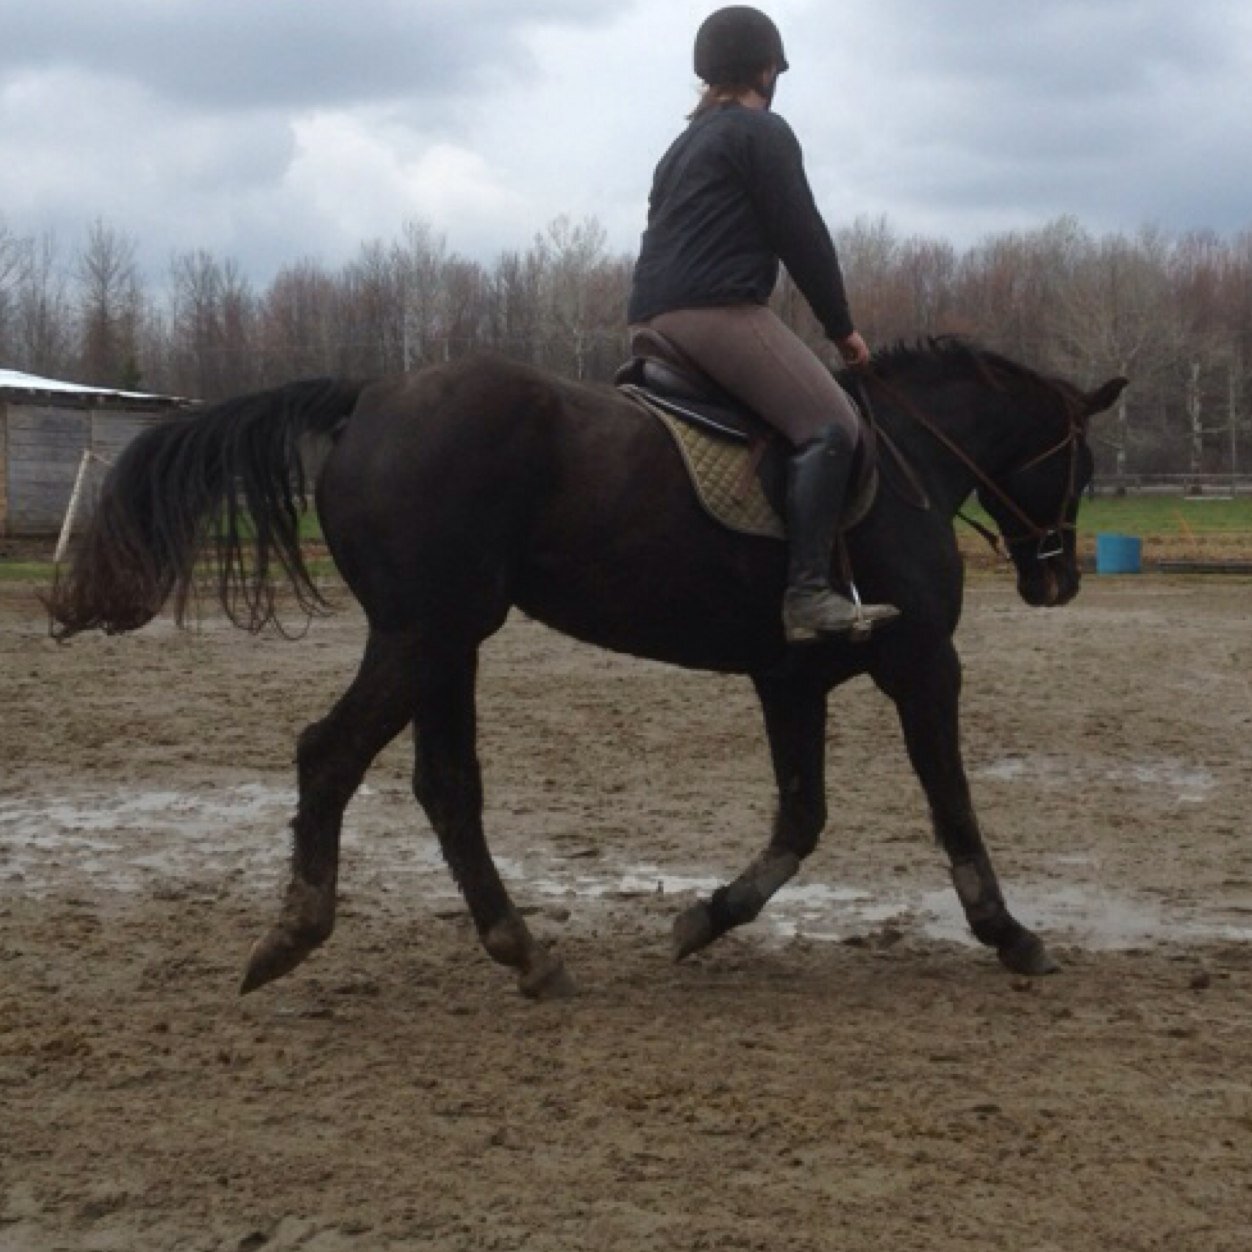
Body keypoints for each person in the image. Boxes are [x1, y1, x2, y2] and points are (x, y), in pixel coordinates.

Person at [628, 5, 898, 643]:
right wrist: (842, 329)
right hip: (715, 312)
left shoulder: (681, 146)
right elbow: (802, 235)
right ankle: (806, 593)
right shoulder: (762, 132)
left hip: (650, 318)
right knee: (832, 424)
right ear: (766, 68)